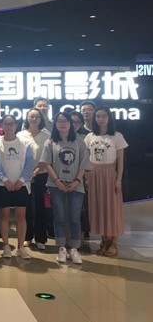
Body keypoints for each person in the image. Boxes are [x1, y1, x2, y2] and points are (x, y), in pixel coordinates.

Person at [40, 112, 91, 264]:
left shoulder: (80, 142)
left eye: (65, 121)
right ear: (55, 124)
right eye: (59, 121)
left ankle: (74, 248)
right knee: (60, 217)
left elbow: (83, 164)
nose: (62, 124)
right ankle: (61, 248)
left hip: (76, 185)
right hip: (56, 185)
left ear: (70, 123)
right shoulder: (50, 142)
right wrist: (57, 181)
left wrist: (77, 181)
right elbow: (47, 163)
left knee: (75, 217)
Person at [84, 107, 128, 257]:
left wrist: (118, 180)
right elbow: (86, 159)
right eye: (98, 116)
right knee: (98, 208)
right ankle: (104, 241)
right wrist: (86, 177)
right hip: (93, 174)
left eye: (104, 116)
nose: (100, 119)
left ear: (109, 118)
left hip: (109, 174)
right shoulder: (90, 137)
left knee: (111, 208)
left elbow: (120, 162)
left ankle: (113, 242)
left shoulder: (117, 136)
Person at [0, 115, 34, 260]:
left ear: (16, 125)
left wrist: (21, 180)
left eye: (11, 124)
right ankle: (6, 246)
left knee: (21, 216)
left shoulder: (25, 143)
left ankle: (20, 247)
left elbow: (29, 164)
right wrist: (5, 180)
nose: (9, 126)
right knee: (4, 216)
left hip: (21, 185)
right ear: (2, 125)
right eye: (6, 124)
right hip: (2, 185)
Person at [17, 108, 51, 251]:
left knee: (40, 207)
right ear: (27, 118)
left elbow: (47, 156)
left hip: (41, 174)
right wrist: (27, 174)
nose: (34, 119)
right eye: (31, 116)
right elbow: (18, 156)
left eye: (37, 116)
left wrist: (36, 172)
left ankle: (41, 238)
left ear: (41, 119)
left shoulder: (47, 135)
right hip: (24, 176)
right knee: (26, 207)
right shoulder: (20, 135)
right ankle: (27, 236)